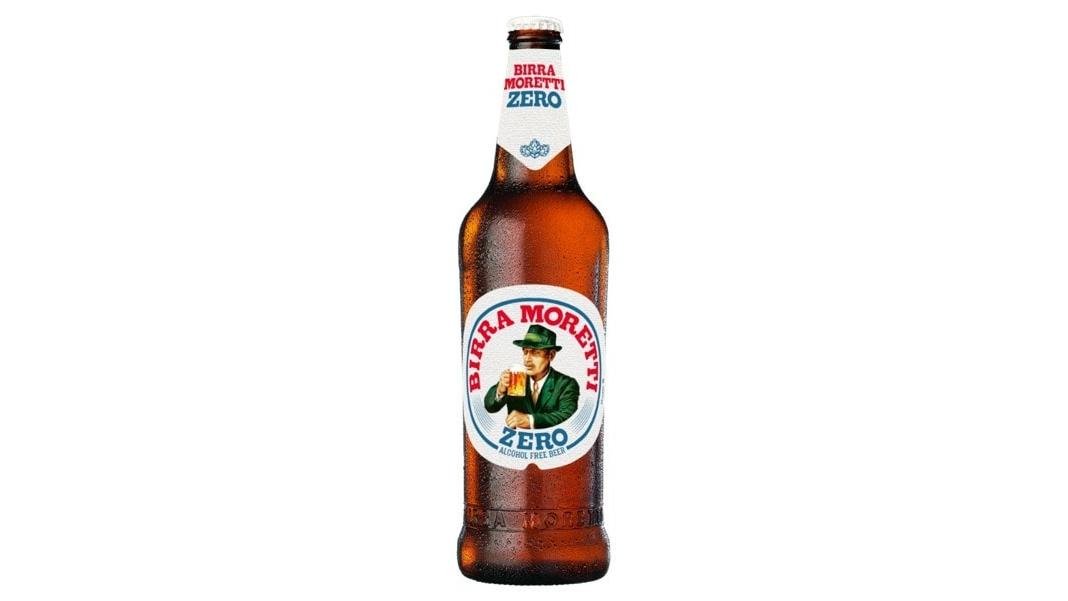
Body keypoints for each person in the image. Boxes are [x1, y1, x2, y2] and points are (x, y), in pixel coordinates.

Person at [484, 324, 579, 429]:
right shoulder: (516, 377)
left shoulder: (566, 384)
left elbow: (567, 415)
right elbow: (490, 407)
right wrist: (500, 391)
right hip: (516, 438)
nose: (527, 359)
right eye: (525, 352)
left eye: (536, 353)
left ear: (551, 355)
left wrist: (530, 420)